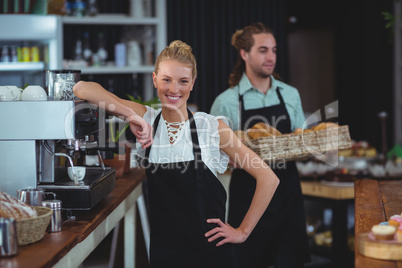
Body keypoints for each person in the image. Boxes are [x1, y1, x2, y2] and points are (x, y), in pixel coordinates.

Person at [74, 40, 279, 268]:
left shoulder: (211, 128)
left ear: (192, 83)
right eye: (166, 80)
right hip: (165, 256)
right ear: (154, 79)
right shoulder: (148, 120)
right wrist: (129, 115)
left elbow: (268, 178)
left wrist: (242, 231)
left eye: (183, 81)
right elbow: (82, 88)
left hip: (211, 257)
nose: (174, 89)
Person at [210, 22, 311, 267]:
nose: (271, 57)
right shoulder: (226, 102)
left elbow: (303, 142)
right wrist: (228, 160)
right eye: (263, 50)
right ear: (244, 54)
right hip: (247, 201)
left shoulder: (290, 94)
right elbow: (212, 159)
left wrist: (316, 148)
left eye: (274, 50)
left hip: (288, 198)